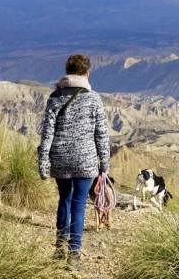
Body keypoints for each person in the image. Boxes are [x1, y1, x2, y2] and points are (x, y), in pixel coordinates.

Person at [37, 54, 110, 271]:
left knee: (64, 201)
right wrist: (104, 165)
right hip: (85, 161)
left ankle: (59, 248)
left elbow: (47, 134)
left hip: (60, 159)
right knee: (78, 206)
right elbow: (101, 135)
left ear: (67, 71)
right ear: (87, 72)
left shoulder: (54, 97)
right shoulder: (94, 99)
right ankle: (74, 255)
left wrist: (43, 163)